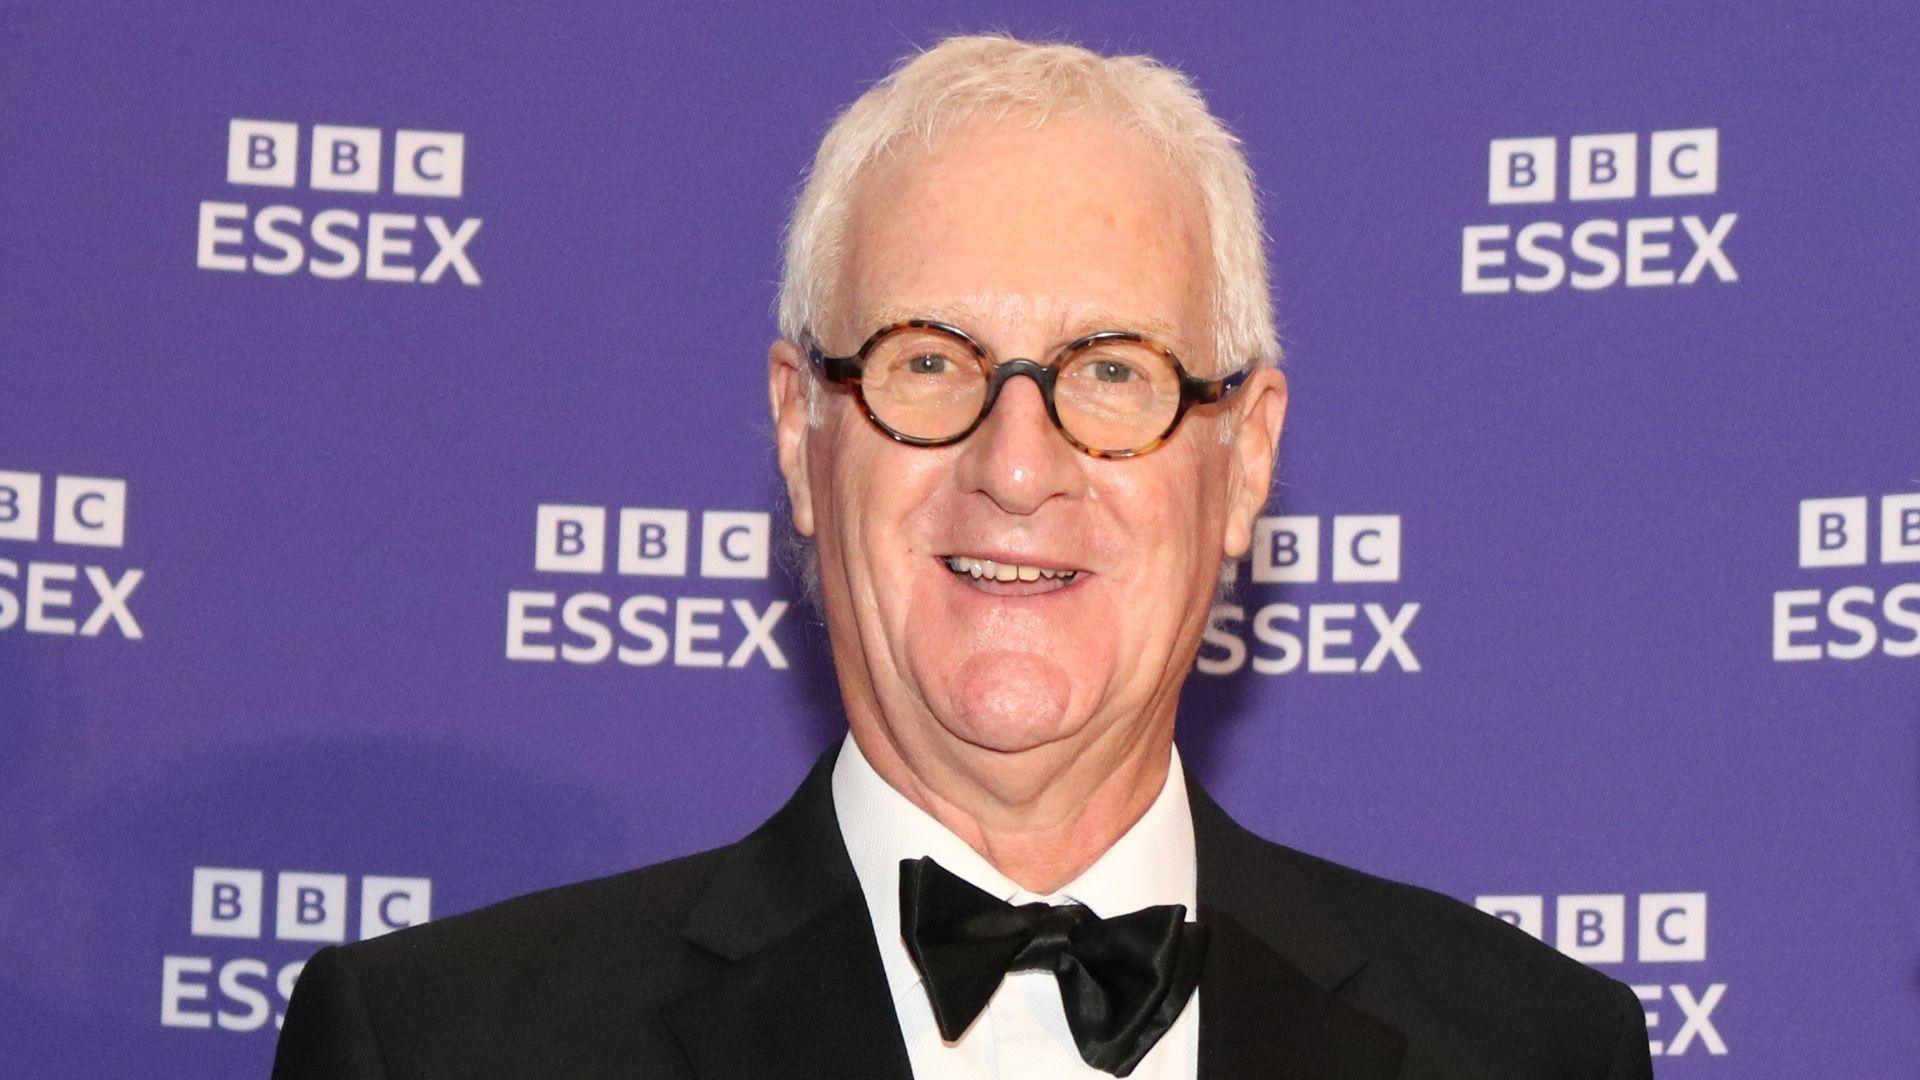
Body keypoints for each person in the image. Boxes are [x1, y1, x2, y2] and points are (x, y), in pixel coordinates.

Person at [271, 33, 1653, 1080]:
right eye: (927, 363)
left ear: (1244, 463)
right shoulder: (441, 1047)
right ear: (802, 430)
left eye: (1112, 373)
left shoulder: (1529, 1049)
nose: (1015, 464)